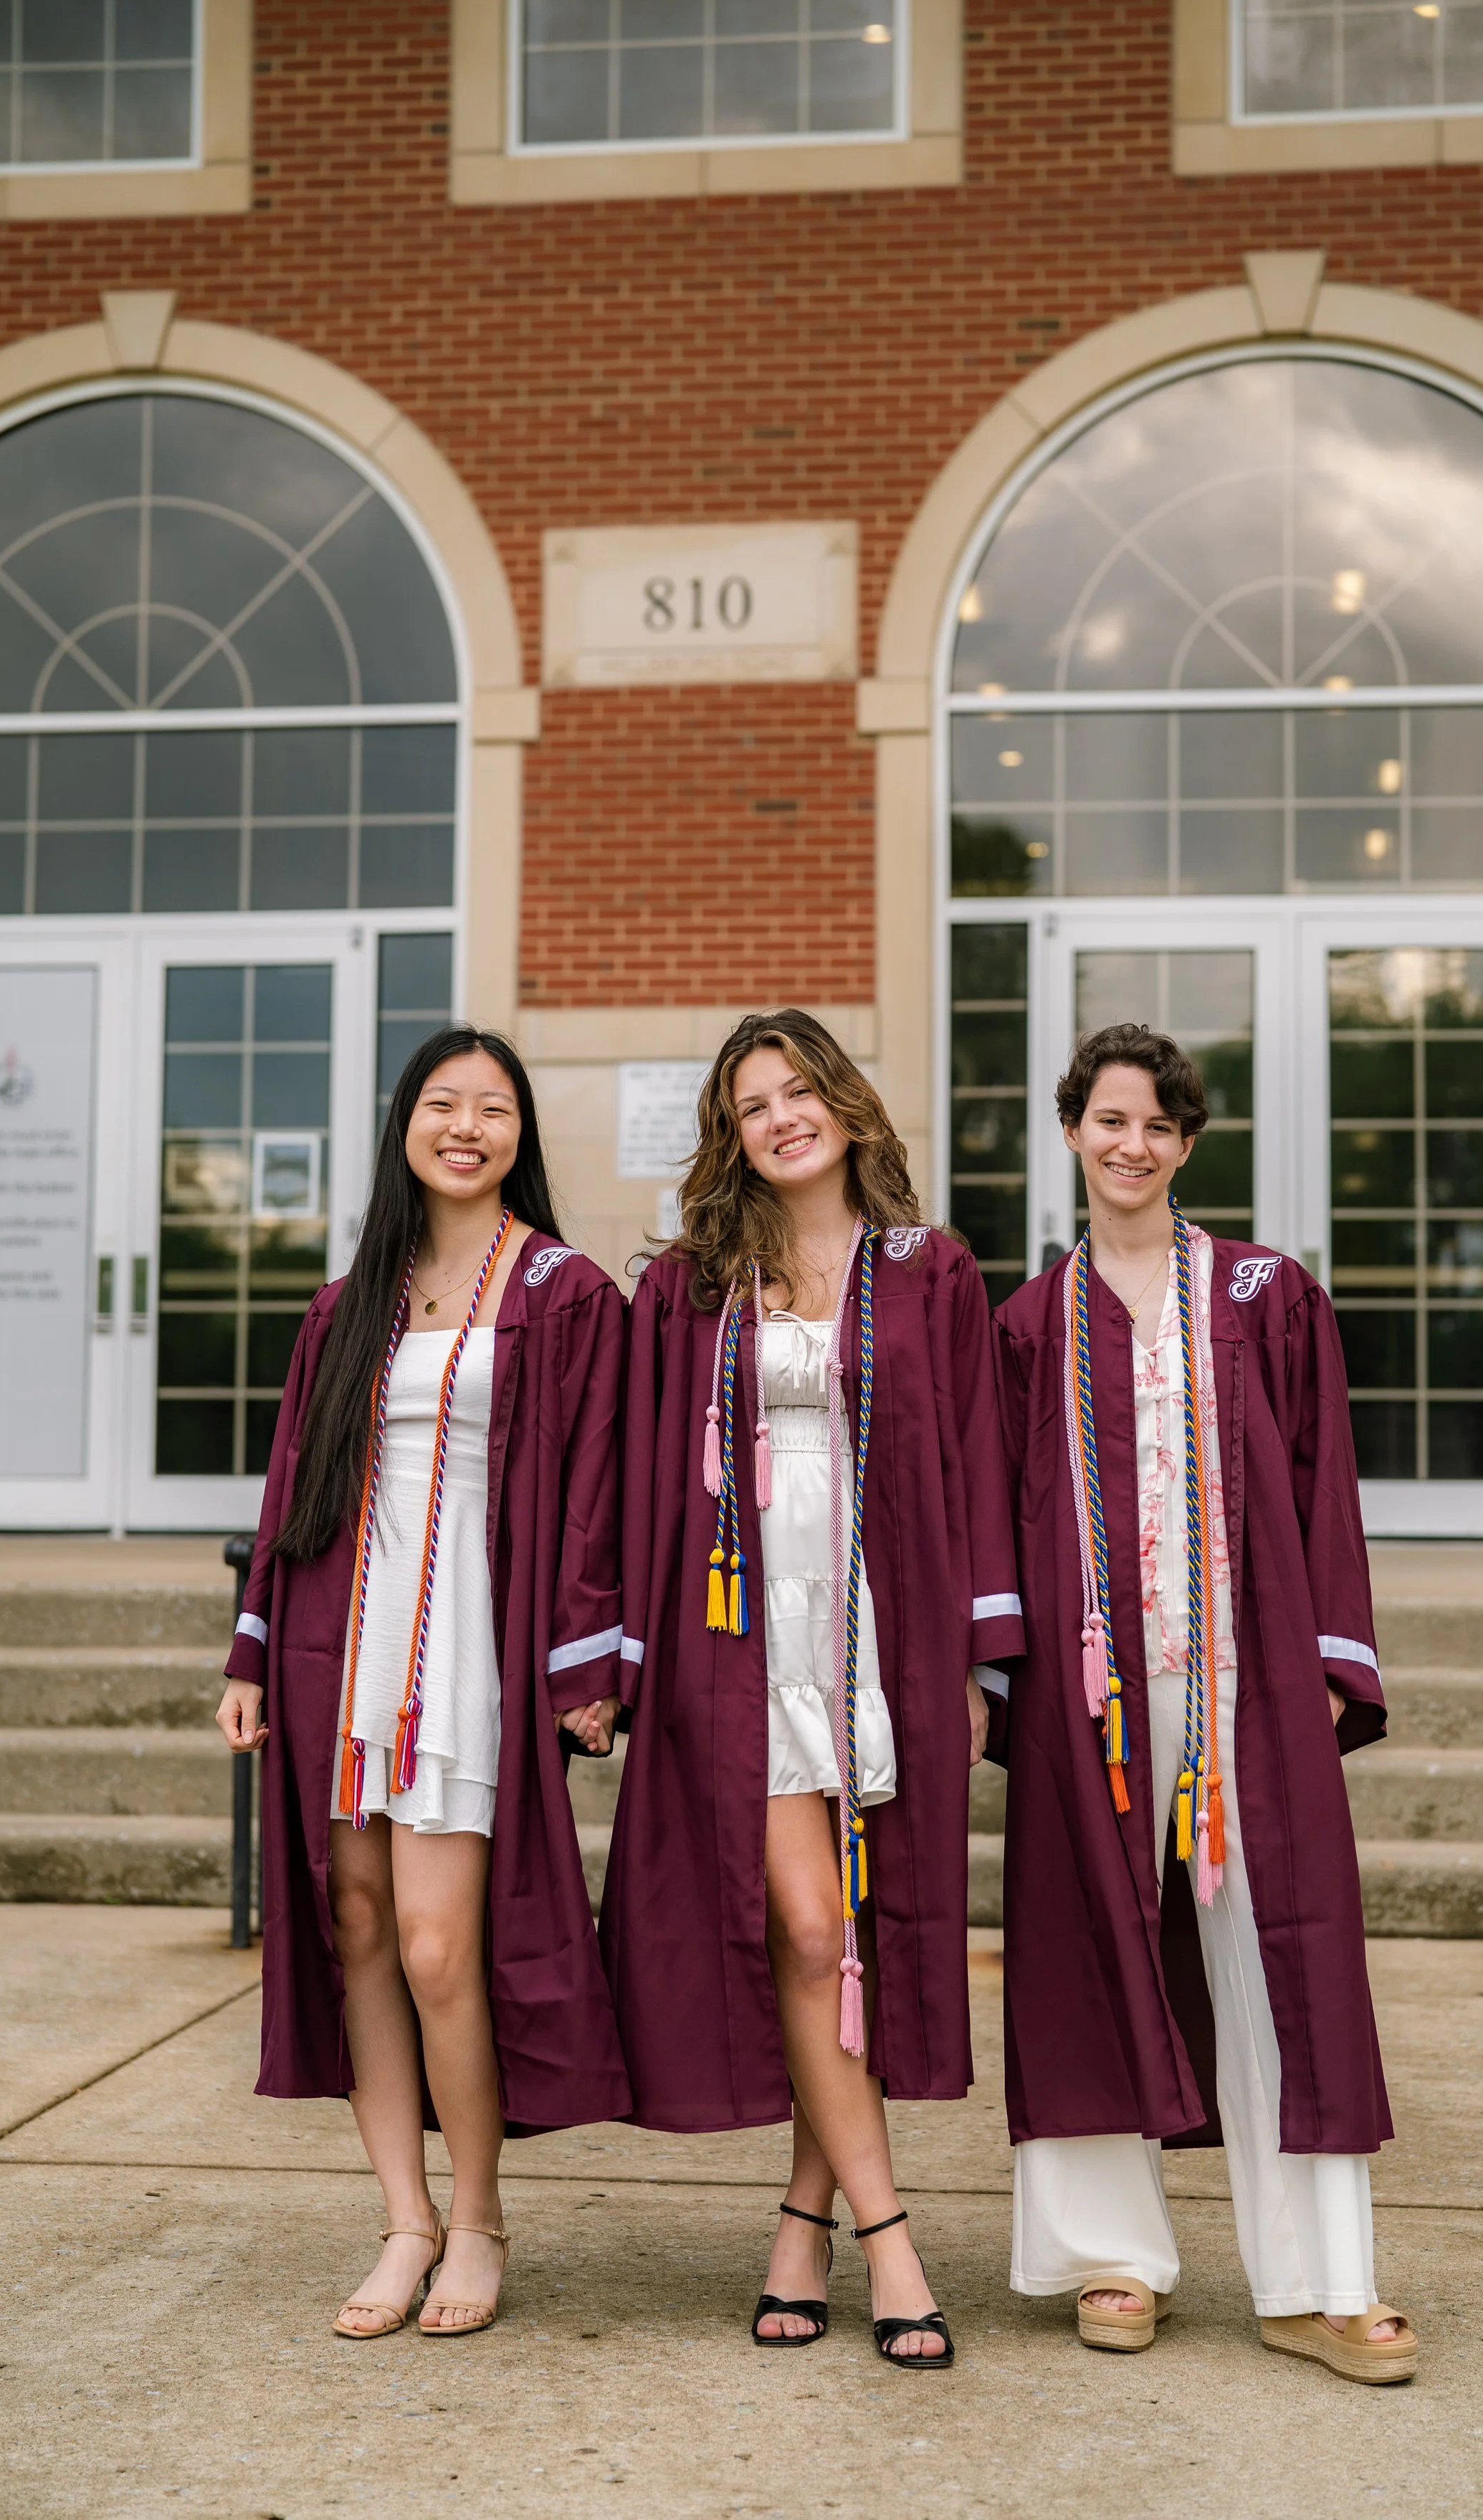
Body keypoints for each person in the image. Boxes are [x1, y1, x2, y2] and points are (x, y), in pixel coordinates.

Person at [992, 1022, 1416, 2385]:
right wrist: (1007, 1667)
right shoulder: (1024, 1321)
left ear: (1187, 1144)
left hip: (1249, 1673)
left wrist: (1329, 1658)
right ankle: (1111, 2256)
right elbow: (997, 1516)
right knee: (1086, 1945)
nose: (1133, 1145)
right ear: (1071, 1130)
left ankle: (1319, 2279)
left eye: (1160, 1126)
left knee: (1284, 1951)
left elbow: (1319, 1483)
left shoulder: (1262, 1294)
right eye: (1109, 1119)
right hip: (1093, 1684)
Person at [600, 1010, 1022, 2367]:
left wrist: (972, 1653)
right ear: (728, 1133)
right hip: (740, 1638)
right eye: (750, 1103)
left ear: (845, 1101)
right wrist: (613, 1646)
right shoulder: (690, 1283)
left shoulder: (929, 1268)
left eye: (799, 1090)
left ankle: (802, 2215)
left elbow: (975, 1459)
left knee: (857, 1938)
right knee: (801, 1921)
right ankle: (892, 2236)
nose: (780, 1116)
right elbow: (632, 1472)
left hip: (879, 1633)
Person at [216, 1026, 629, 2340]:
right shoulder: (351, 1302)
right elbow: (295, 1488)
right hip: (346, 1635)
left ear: (520, 1135)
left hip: (469, 1648)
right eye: (442, 1103)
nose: (466, 1125)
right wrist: (249, 1652)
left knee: (446, 1946)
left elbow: (594, 1501)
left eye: (493, 1107)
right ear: (405, 1125)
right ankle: (404, 2216)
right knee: (358, 1930)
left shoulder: (565, 1293)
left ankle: (481, 2214)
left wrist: (587, 1655)